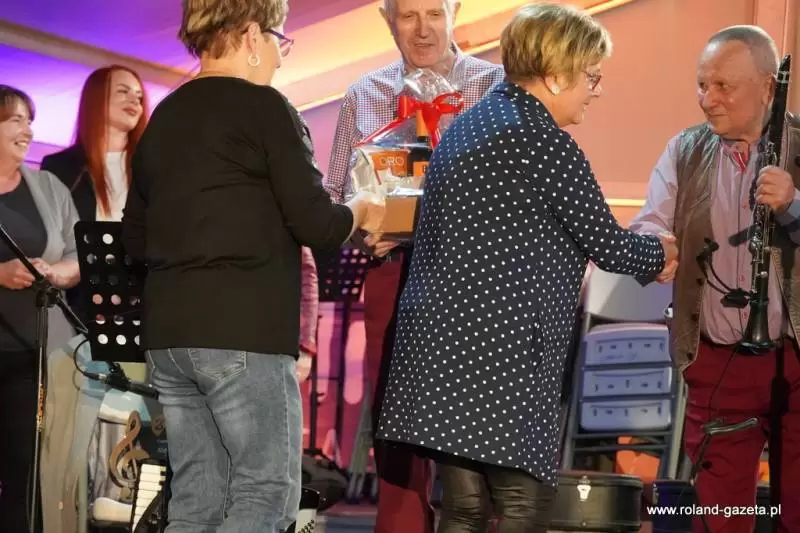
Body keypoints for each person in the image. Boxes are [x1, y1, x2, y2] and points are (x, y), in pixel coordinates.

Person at [374, 4, 677, 533]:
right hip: (499, 355)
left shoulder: (467, 127)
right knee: (523, 505)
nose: (596, 90)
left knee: (464, 509)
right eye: (591, 76)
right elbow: (611, 247)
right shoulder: (543, 142)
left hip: (438, 348)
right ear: (556, 75)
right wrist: (664, 252)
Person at [120, 1, 384, 532]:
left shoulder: (164, 117)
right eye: (278, 40)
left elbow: (134, 239)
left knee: (195, 503)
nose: (280, 57)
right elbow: (319, 225)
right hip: (243, 333)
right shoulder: (266, 108)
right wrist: (363, 206)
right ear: (249, 35)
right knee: (265, 497)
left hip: (170, 338)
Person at [324, 1, 505, 530]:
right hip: (392, 269)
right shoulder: (364, 93)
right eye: (408, 15)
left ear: (454, 12)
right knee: (395, 415)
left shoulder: (496, 85)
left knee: (477, 412)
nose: (423, 29)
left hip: (475, 274)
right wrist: (364, 230)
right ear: (388, 21)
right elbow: (335, 193)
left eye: (434, 13)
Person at [629, 25, 800, 533]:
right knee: (721, 514)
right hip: (718, 359)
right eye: (702, 85)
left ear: (767, 88)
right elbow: (650, 223)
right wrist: (655, 250)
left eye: (723, 86)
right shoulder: (684, 150)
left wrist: (793, 205)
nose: (708, 99)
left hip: (795, 358)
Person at [0, 85, 81, 532]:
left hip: (32, 356)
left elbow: (76, 255)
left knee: (25, 475)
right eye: (15, 119)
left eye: (29, 121)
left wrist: (56, 272)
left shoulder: (49, 187)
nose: (27, 130)